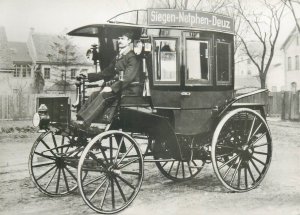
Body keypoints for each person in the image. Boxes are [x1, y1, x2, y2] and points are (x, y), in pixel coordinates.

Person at [76, 32, 141, 128]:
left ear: (129, 41)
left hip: (130, 89)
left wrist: (112, 88)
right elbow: (107, 71)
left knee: (104, 95)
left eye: (122, 38)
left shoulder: (132, 57)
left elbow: (128, 78)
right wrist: (88, 75)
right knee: (95, 94)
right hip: (121, 88)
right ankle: (80, 118)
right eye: (119, 38)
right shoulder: (120, 56)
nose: (119, 41)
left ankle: (86, 122)